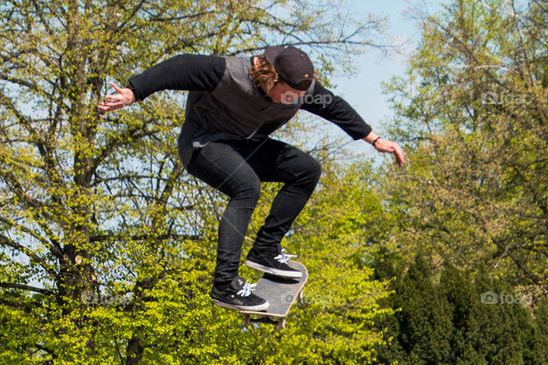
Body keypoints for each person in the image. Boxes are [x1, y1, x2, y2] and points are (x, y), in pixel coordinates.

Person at [97, 45, 406, 312]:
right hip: (203, 146)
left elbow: (335, 106)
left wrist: (375, 140)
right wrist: (134, 91)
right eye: (288, 95)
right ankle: (225, 284)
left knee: (306, 170)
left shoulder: (300, 91)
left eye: (299, 97)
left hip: (244, 147)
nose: (292, 101)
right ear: (271, 77)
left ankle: (266, 249)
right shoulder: (227, 72)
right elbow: (180, 65)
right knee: (246, 187)